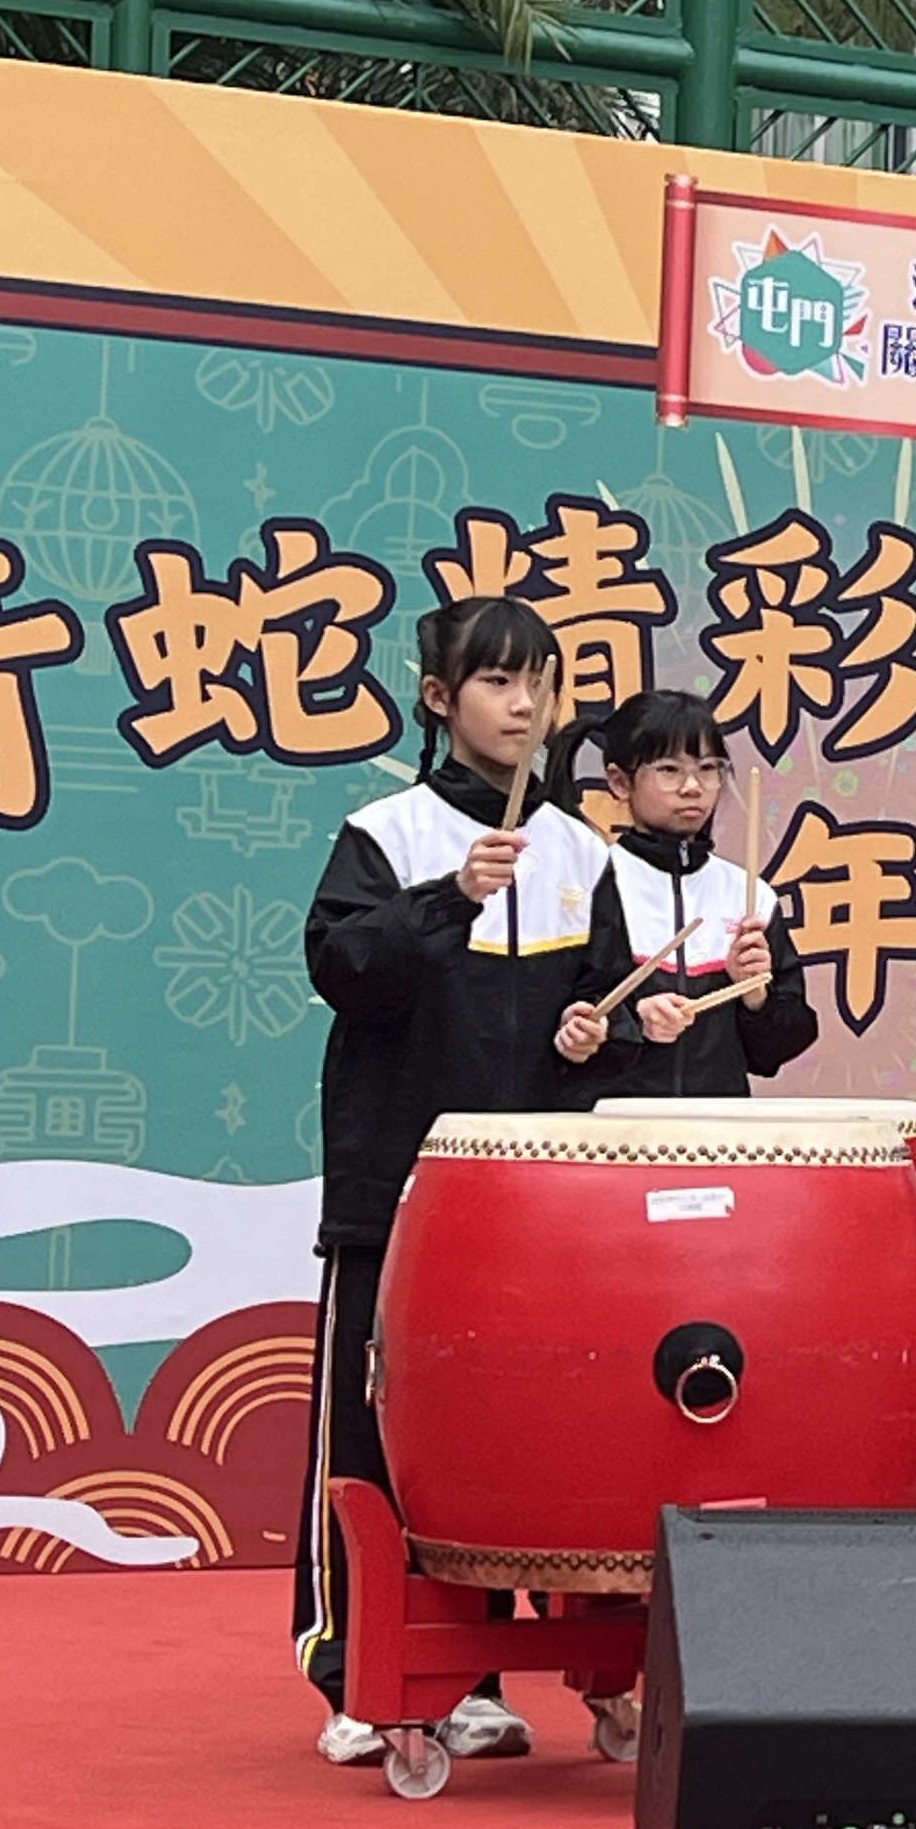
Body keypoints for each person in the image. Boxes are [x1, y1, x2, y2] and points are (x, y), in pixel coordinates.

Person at [296, 596, 631, 1767]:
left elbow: (606, 1023)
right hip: (397, 1196)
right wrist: (447, 899)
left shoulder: (585, 852)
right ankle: (356, 1674)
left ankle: (470, 1676)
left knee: (495, 1442)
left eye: (541, 681)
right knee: (371, 1436)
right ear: (440, 700)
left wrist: (597, 1034)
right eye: (497, 682)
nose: (525, 704)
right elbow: (344, 972)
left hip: (531, 1214)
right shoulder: (385, 834)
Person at [567, 688, 816, 1101]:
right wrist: (631, 1021)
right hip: (612, 1127)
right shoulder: (590, 884)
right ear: (619, 781)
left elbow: (775, 1050)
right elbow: (558, 1020)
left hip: (718, 1128)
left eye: (708, 768)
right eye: (669, 770)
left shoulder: (749, 895)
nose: (692, 787)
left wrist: (754, 994)